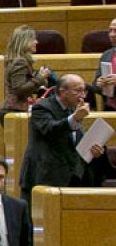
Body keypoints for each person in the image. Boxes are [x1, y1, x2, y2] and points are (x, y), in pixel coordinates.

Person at [21, 74, 102, 205]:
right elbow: (50, 129)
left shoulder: (73, 109)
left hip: (72, 177)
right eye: (77, 90)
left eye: (84, 90)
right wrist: (75, 118)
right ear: (62, 91)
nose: (83, 95)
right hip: (46, 177)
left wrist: (94, 150)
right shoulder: (42, 107)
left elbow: (75, 139)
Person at [3, 24, 52, 121]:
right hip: (15, 112)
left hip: (15, 110)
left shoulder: (17, 60)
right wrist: (39, 78)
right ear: (24, 42)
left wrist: (40, 81)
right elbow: (18, 89)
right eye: (33, 39)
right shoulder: (20, 62)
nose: (36, 42)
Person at [94, 17, 116, 110]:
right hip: (110, 109)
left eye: (115, 31)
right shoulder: (106, 55)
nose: (112, 34)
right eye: (110, 30)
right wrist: (99, 83)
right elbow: (95, 84)